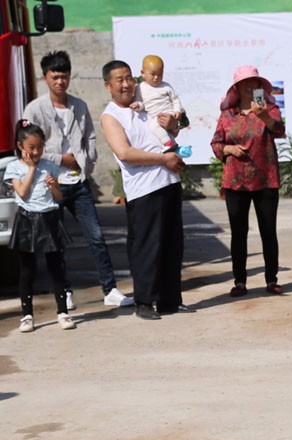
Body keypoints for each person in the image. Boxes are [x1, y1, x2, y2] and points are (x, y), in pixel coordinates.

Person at [22, 51, 132, 309]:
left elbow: (90, 138)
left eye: (64, 76)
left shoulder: (79, 106)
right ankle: (65, 292)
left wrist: (87, 163)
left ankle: (110, 289)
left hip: (79, 183)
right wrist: (61, 159)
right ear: (45, 78)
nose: (60, 81)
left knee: (95, 237)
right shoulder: (34, 109)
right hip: (51, 184)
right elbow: (28, 147)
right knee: (56, 242)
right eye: (55, 77)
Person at [99, 60, 186, 321]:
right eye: (119, 80)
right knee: (147, 246)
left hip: (169, 182)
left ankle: (171, 300)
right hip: (144, 190)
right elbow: (125, 153)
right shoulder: (111, 116)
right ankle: (145, 301)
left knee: (173, 244)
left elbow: (172, 131)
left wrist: (173, 124)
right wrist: (163, 159)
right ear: (108, 85)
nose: (126, 84)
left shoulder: (145, 104)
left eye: (129, 78)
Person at [211, 65, 286, 297]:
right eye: (245, 82)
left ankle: (271, 279)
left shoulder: (270, 109)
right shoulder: (227, 114)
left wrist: (264, 116)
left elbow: (280, 131)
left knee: (268, 231)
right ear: (237, 87)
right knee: (238, 232)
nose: (250, 86)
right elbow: (215, 143)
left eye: (254, 82)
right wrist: (229, 148)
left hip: (265, 179)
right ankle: (240, 281)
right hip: (236, 182)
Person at [8, 120, 73, 332]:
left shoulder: (50, 167)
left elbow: (58, 196)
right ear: (20, 146)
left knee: (56, 267)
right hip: (27, 220)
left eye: (40, 147)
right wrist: (31, 169)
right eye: (31, 148)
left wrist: (54, 187)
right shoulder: (14, 167)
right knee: (27, 269)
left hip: (49, 218)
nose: (36, 152)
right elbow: (23, 193)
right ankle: (27, 315)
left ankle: (63, 312)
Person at [132, 55, 185, 153]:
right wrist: (138, 105)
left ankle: (169, 144)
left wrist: (177, 110)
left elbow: (175, 99)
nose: (156, 78)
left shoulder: (166, 86)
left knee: (153, 126)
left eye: (160, 74)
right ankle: (173, 146)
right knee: (161, 129)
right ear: (143, 73)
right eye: (153, 74)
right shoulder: (139, 88)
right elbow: (141, 104)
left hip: (168, 113)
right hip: (155, 116)